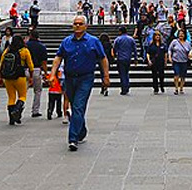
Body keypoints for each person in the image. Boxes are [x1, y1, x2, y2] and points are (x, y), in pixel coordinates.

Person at [48, 15, 109, 152]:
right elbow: (58, 57)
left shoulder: (93, 41)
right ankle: (81, 130)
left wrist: (106, 76)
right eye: (75, 23)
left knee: (78, 105)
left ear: (86, 26)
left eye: (80, 24)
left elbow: (103, 59)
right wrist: (52, 74)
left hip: (85, 78)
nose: (77, 26)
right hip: (69, 78)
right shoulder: (66, 41)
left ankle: (73, 138)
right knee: (76, 107)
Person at [0, 35, 34, 125]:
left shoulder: (8, 50)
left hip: (7, 77)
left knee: (11, 97)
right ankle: (17, 110)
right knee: (22, 96)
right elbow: (30, 66)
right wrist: (31, 77)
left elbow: (1, 63)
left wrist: (0, 76)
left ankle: (11, 118)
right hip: (20, 76)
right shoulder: (24, 51)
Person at [27, 30, 49, 117]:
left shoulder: (26, 46)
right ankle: (35, 110)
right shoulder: (41, 46)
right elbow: (44, 62)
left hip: (25, 70)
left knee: (23, 92)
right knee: (38, 91)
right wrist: (46, 72)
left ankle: (19, 107)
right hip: (36, 69)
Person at [112, 26, 137, 95]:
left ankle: (124, 88)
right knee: (126, 72)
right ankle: (127, 85)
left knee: (122, 73)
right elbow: (134, 49)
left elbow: (114, 49)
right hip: (128, 58)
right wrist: (135, 58)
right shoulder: (131, 39)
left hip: (120, 58)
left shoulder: (118, 39)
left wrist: (113, 56)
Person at [168, 28, 192, 95]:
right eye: (180, 34)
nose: (181, 35)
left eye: (182, 34)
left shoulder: (187, 43)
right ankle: (176, 88)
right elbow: (170, 49)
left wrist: (190, 53)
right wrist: (169, 57)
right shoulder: (174, 42)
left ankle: (181, 87)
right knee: (176, 75)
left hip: (184, 61)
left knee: (183, 76)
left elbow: (190, 49)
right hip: (176, 60)